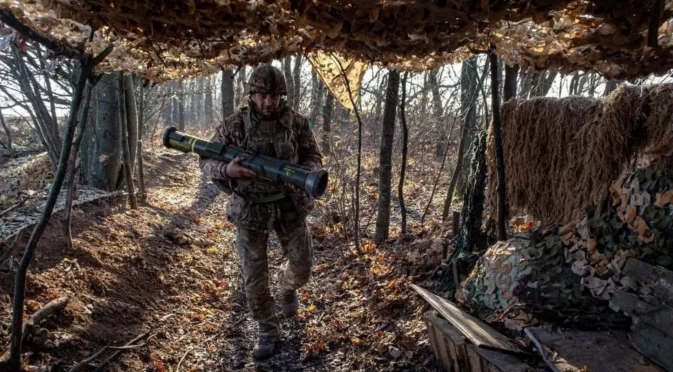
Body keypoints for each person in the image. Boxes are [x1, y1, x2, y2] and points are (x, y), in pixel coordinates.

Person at [199, 64, 323, 359]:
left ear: (282, 96)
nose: (268, 102)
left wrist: (303, 173)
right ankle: (268, 330)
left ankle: (287, 288)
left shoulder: (297, 123)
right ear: (252, 95)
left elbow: (313, 156)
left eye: (274, 96)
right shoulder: (233, 126)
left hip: (288, 203)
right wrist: (227, 170)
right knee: (254, 278)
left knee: (303, 267)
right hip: (250, 208)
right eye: (262, 95)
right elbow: (206, 159)